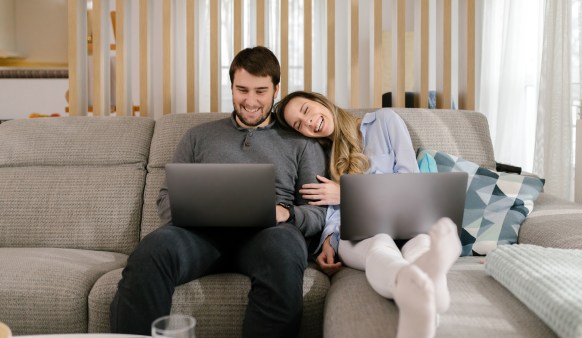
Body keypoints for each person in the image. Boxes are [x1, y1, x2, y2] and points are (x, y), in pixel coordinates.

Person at [109, 47, 328, 337]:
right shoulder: (198, 136)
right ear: (232, 87)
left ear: (276, 89)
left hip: (270, 235)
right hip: (200, 236)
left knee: (285, 252)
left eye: (261, 91)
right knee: (152, 250)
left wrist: (286, 213)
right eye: (242, 90)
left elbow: (317, 214)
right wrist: (196, 210)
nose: (250, 101)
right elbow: (165, 199)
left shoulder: (301, 142)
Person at [274, 91, 462, 338]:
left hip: (406, 221)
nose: (308, 122)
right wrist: (329, 241)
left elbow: (410, 183)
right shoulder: (322, 153)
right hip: (359, 235)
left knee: (421, 244)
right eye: (299, 125)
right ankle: (409, 283)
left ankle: (429, 279)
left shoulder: (384, 121)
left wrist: (348, 193)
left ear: (320, 101)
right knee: (379, 247)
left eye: (306, 110)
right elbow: (332, 212)